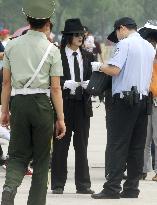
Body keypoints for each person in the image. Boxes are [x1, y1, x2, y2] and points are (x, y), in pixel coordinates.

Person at [0, 1, 66, 205]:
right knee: (41, 159)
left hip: (18, 102)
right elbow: (55, 88)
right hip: (42, 105)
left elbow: (6, 83)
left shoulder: (11, 44)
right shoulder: (52, 50)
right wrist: (61, 118)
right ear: (47, 22)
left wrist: (5, 110)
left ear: (27, 20)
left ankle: (9, 187)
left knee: (17, 154)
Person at [90, 17, 155, 199]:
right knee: (136, 146)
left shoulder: (124, 44)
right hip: (143, 101)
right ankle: (132, 188)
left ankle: (112, 188)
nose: (117, 37)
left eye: (117, 33)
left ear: (122, 28)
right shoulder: (149, 47)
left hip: (124, 101)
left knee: (117, 144)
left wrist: (99, 66)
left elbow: (114, 70)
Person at [51, 18, 94, 194]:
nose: (80, 37)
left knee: (82, 146)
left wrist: (90, 85)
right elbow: (49, 79)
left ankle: (83, 184)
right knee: (61, 145)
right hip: (64, 104)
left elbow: (95, 79)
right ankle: (58, 184)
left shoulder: (88, 56)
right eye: (76, 35)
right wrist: (63, 83)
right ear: (68, 37)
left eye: (81, 34)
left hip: (82, 105)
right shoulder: (57, 55)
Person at [138, 21, 157, 181]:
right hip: (146, 98)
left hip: (156, 98)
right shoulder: (145, 53)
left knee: (156, 136)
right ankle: (143, 169)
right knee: (145, 136)